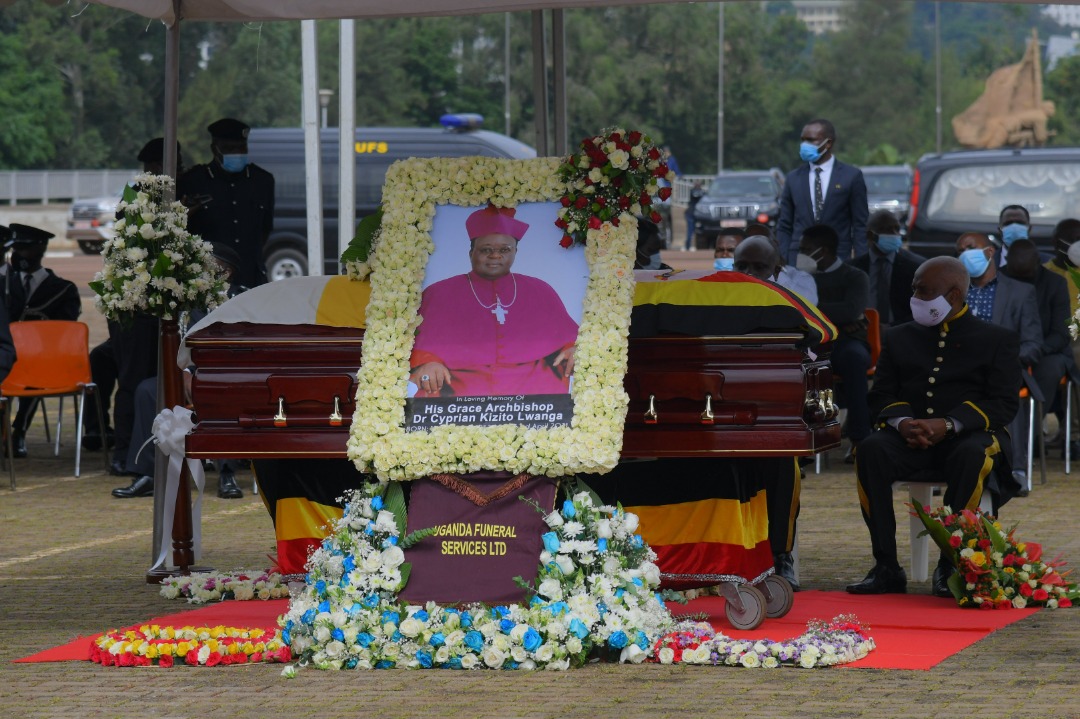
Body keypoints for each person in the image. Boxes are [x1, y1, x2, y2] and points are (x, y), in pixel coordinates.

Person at [847, 256, 1022, 596]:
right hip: (909, 439)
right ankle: (886, 566)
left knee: (973, 454)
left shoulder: (996, 339)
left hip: (965, 438)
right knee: (871, 449)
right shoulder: (899, 337)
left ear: (954, 295)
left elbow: (1003, 404)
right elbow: (880, 393)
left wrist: (949, 423)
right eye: (915, 289)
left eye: (924, 291)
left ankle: (950, 564)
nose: (916, 297)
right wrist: (903, 422)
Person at [112, 243, 249, 499]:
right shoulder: (189, 299)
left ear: (226, 272)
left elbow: (243, 349)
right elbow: (181, 343)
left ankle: (227, 473)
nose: (202, 270)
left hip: (225, 376)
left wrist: (205, 377)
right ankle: (148, 474)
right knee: (146, 390)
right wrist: (187, 373)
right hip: (187, 373)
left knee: (221, 395)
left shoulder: (242, 301)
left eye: (210, 264)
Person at [409, 204, 578, 398]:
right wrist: (427, 363)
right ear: (471, 253)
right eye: (486, 249)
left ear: (515, 252)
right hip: (458, 392)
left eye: (505, 249)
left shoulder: (540, 290)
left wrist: (573, 349)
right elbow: (419, 345)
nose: (496, 255)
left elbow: (568, 338)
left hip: (533, 391)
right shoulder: (439, 293)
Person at [85, 138, 184, 453]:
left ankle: (151, 444)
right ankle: (125, 451)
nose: (180, 171)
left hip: (155, 310)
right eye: (175, 164)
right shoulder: (136, 203)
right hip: (136, 310)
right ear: (158, 167)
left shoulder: (163, 198)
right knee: (132, 382)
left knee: (150, 382)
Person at [955, 231, 1042, 491]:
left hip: (1003, 368)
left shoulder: (1021, 293)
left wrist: (1003, 360)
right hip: (960, 367)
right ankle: (947, 465)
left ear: (989, 252)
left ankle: (1015, 469)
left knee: (1007, 388)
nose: (963, 253)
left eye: (969, 247)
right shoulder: (954, 291)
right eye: (959, 250)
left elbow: (1033, 344)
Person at [2, 224, 81, 458]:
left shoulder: (63, 289)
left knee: (34, 372)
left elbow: (66, 331)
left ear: (40, 249)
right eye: (15, 249)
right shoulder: (5, 284)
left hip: (43, 360)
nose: (17, 255)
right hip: (8, 355)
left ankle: (19, 431)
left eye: (24, 249)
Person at [1003, 239, 1077, 473]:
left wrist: (1036, 350)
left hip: (1048, 350)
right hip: (1007, 350)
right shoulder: (1000, 279)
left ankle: (1029, 432)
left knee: (1051, 368)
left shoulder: (1054, 283)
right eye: (1017, 273)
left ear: (1037, 262)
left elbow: (1061, 332)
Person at [799, 224, 871, 463]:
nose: (801, 255)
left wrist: (813, 313)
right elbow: (796, 311)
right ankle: (803, 438)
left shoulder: (855, 276)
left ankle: (860, 438)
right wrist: (840, 320)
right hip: (813, 343)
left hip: (847, 344)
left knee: (855, 359)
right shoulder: (801, 279)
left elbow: (852, 309)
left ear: (824, 250)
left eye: (806, 249)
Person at [178, 118, 274, 288]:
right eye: (229, 149)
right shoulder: (194, 181)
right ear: (214, 148)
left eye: (241, 148)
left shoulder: (262, 181)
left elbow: (265, 229)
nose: (236, 153)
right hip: (208, 279)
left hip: (251, 276)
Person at [776, 118, 868, 264]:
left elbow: (860, 225)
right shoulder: (794, 178)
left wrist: (862, 261)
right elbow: (785, 225)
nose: (805, 145)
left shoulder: (851, 176)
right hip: (799, 259)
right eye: (803, 140)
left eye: (811, 140)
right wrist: (782, 259)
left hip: (837, 258)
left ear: (828, 143)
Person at [850, 210, 926, 327]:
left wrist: (892, 328)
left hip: (902, 332)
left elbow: (922, 311)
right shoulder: (853, 268)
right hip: (862, 331)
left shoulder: (916, 267)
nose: (894, 234)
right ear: (870, 235)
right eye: (886, 229)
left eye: (896, 229)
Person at [685, 180, 705, 251]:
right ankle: (687, 246)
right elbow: (696, 194)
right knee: (690, 231)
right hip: (691, 214)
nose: (698, 186)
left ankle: (702, 246)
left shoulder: (702, 192)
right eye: (697, 185)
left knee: (702, 230)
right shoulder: (693, 191)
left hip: (700, 214)